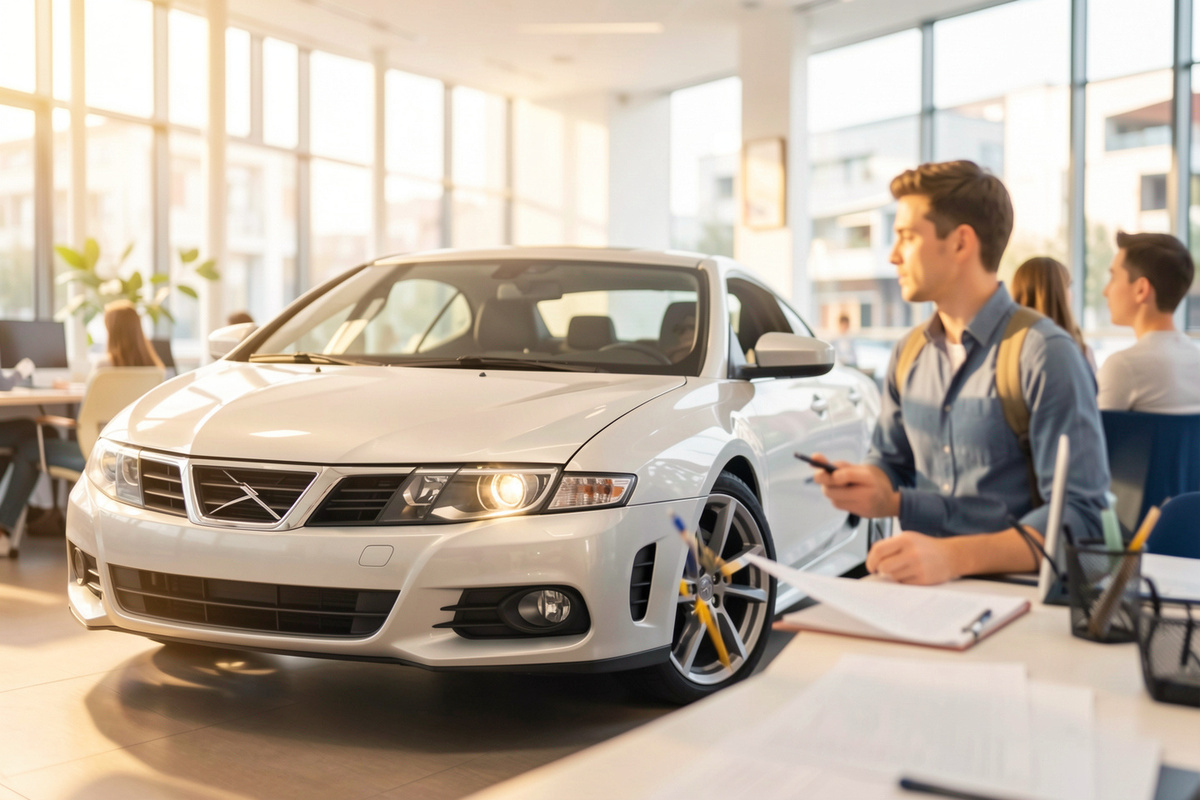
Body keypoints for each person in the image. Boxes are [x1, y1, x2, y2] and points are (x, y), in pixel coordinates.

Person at [812, 160, 1109, 585]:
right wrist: (873, 483)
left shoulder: (1043, 354)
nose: (893, 255)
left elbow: (1082, 520)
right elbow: (891, 460)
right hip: (920, 589)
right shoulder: (908, 353)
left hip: (1017, 598)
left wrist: (953, 557)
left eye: (908, 237)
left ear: (960, 243)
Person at [0, 302, 162, 556]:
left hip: (92, 456)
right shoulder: (155, 370)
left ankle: (4, 531)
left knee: (31, 447)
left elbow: (85, 414)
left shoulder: (103, 368)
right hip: (127, 460)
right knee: (44, 435)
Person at [1097, 232, 1200, 413]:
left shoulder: (1122, 367)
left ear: (1141, 289)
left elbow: (1089, 439)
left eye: (1113, 277)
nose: (1105, 291)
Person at [1011, 256, 1096, 373]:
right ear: (1059, 293)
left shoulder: (1003, 348)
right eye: (1068, 285)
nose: (1072, 293)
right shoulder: (1078, 351)